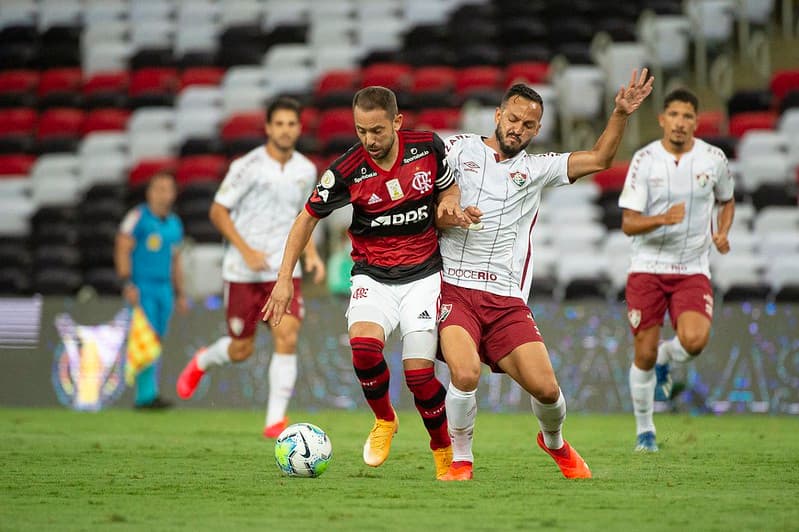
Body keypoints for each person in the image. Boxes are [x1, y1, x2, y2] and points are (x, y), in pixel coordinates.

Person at [434, 70, 654, 481]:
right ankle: (461, 459)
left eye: (528, 124)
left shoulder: (539, 168)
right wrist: (449, 214)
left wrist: (620, 114)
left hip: (505, 298)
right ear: (498, 115)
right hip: (453, 287)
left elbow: (600, 159)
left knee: (548, 391)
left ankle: (553, 442)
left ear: (538, 129)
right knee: (464, 373)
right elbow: (427, 196)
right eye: (513, 119)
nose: (518, 129)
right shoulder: (455, 148)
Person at [262, 86, 470, 479]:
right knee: (363, 349)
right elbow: (306, 217)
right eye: (361, 131)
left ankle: (443, 450)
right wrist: (284, 278)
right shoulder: (346, 169)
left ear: (396, 122)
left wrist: (449, 202)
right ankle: (384, 419)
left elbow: (449, 184)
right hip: (372, 275)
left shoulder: (427, 147)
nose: (369, 141)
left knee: (419, 375)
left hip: (423, 276)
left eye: (376, 131)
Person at [175, 97, 325, 438]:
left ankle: (275, 421)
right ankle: (203, 360)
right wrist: (246, 250)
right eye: (280, 124)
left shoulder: (305, 169)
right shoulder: (247, 166)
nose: (286, 130)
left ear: (298, 129)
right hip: (243, 271)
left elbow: (307, 216)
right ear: (269, 128)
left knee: (287, 336)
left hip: (283, 271)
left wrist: (311, 254)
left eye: (292, 124)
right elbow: (217, 211)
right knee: (240, 349)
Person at [619, 88, 735, 452]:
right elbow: (628, 223)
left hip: (692, 267)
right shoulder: (644, 160)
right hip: (647, 267)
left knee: (695, 341)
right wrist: (661, 219)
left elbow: (727, 200)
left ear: (696, 122)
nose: (680, 122)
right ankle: (645, 431)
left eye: (687, 116)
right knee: (644, 354)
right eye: (674, 115)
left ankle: (669, 359)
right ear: (662, 119)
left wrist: (722, 231)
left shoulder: (714, 159)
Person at [115, 171, 188, 409]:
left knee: (156, 339)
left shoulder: (175, 224)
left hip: (164, 288)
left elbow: (176, 261)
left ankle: (149, 393)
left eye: (168, 189)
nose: (163, 194)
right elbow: (122, 247)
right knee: (144, 337)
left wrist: (180, 293)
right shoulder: (137, 217)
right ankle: (145, 395)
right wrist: (127, 283)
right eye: (159, 189)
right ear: (149, 193)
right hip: (142, 286)